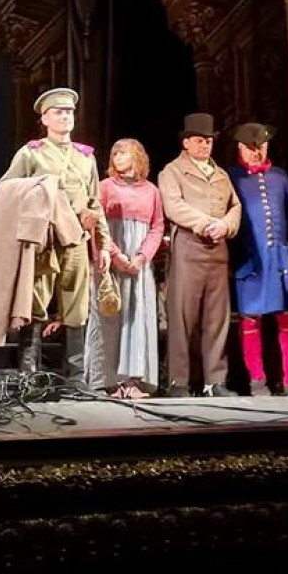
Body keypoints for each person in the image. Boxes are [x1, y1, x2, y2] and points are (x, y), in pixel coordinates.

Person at [0, 88, 111, 387]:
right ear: (45, 119)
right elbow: (6, 188)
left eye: (69, 112)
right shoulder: (32, 152)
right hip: (44, 240)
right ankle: (28, 375)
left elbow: (95, 202)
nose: (65, 117)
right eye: (58, 112)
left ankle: (76, 378)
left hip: (77, 239)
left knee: (77, 306)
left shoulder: (85, 157)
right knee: (35, 302)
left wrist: (103, 244)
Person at [157, 113, 241, 397]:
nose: (205, 145)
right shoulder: (172, 172)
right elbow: (173, 206)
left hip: (217, 250)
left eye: (209, 141)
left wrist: (226, 226)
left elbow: (235, 206)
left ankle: (214, 381)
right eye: (199, 140)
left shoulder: (221, 175)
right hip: (189, 247)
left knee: (217, 317)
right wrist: (206, 224)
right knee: (183, 317)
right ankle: (179, 381)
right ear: (186, 143)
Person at [227, 122, 288, 395]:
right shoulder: (232, 178)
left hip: (279, 258)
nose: (257, 152)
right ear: (240, 148)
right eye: (252, 147)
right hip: (250, 258)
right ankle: (257, 380)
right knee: (251, 318)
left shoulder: (280, 177)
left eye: (261, 146)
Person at [87, 138, 164, 398]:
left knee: (137, 318)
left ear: (137, 156)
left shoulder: (151, 191)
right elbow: (97, 226)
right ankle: (109, 381)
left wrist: (142, 257)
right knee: (109, 318)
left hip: (139, 264)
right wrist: (115, 255)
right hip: (111, 259)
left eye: (123, 152)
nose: (117, 157)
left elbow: (157, 226)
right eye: (115, 153)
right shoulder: (105, 187)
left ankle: (134, 380)